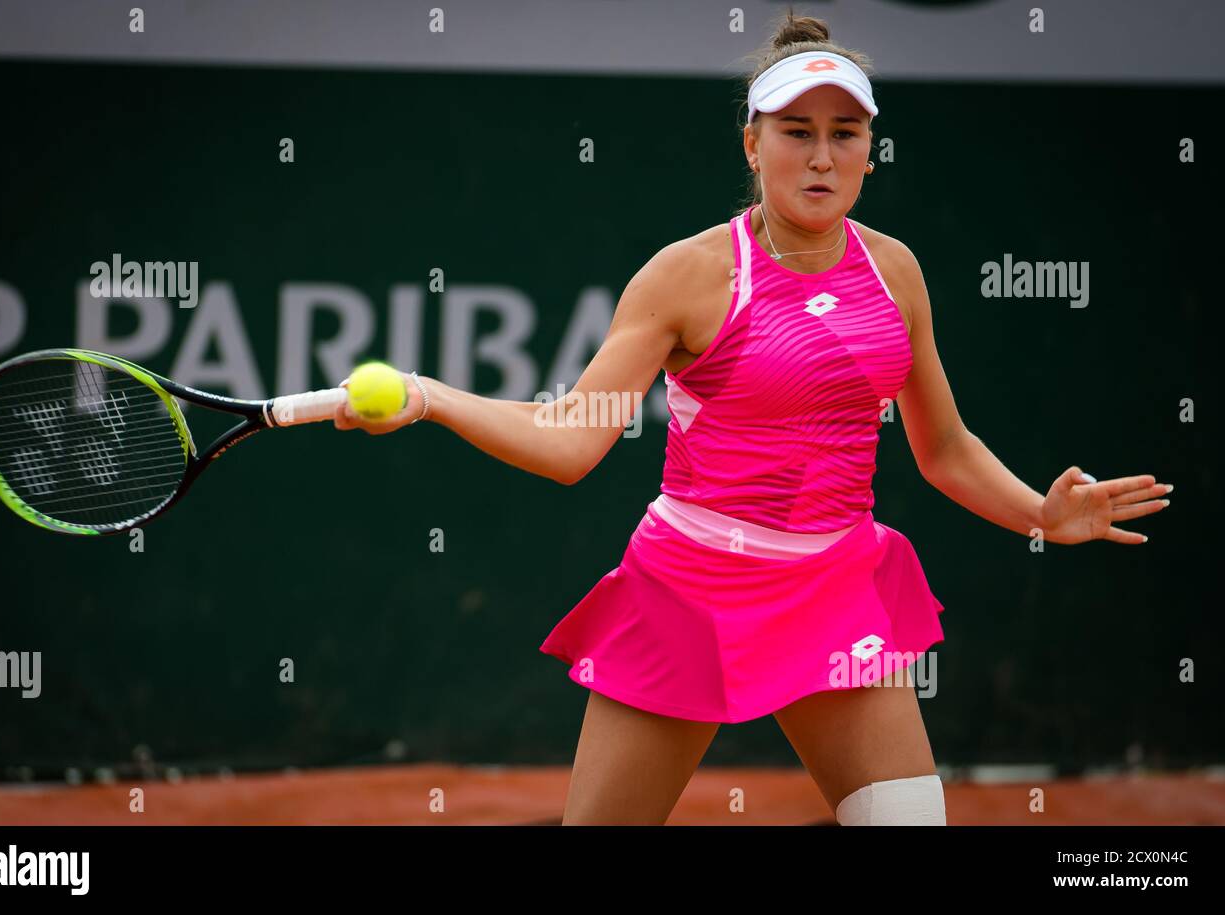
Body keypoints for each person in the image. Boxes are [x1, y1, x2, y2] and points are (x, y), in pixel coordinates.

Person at [331, 13, 1171, 825]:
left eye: (844, 132)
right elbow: (570, 439)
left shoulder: (896, 272)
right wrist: (432, 395)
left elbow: (943, 447)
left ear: (870, 152)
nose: (821, 154)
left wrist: (1037, 512)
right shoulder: (688, 276)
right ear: (751, 143)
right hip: (689, 591)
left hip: (836, 588)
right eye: (795, 130)